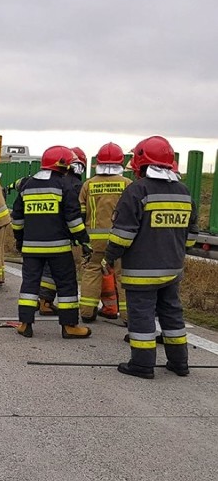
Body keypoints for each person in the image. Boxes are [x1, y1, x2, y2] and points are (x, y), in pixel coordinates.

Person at [105, 136, 198, 379]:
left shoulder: (137, 191)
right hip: (172, 269)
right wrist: (176, 249)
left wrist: (109, 258)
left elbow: (123, 235)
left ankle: (142, 365)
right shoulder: (184, 191)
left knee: (142, 316)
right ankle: (180, 363)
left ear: (141, 163)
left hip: (141, 271)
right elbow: (192, 234)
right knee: (172, 313)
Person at [11, 145, 92, 339]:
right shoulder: (65, 186)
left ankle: (25, 324)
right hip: (59, 247)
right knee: (66, 285)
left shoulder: (27, 186)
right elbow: (73, 220)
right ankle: (69, 326)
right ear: (64, 165)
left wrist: (20, 241)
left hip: (31, 247)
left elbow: (17, 219)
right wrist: (84, 241)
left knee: (30, 285)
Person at [78, 142, 131, 323]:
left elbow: (81, 213)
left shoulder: (88, 185)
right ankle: (128, 318)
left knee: (92, 272)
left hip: (94, 241)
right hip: (120, 239)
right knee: (123, 275)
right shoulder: (127, 184)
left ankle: (87, 312)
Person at [37, 147, 87, 314]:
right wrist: (82, 237)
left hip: (46, 232)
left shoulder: (54, 181)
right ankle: (61, 311)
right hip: (64, 234)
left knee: (47, 269)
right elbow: (76, 214)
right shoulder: (76, 185)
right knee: (62, 272)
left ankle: (44, 301)